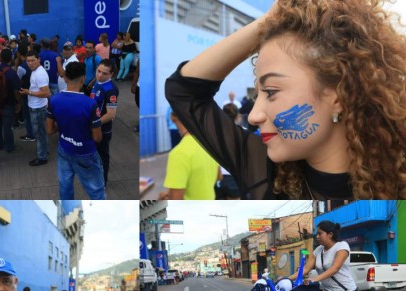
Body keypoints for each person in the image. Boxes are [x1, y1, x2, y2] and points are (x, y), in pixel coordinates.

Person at [166, 0, 405, 199]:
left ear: (338, 94)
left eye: (270, 91)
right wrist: (273, 17)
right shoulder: (261, 170)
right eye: (257, 94)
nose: (254, 115)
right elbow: (184, 92)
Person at [47, 61, 105, 200]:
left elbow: (49, 130)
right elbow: (97, 137)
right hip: (85, 152)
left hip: (64, 149)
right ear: (83, 78)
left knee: (65, 188)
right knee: (96, 192)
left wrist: (63, 126)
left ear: (65, 77)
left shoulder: (53, 100)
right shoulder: (90, 104)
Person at [159, 112, 219, 200]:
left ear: (173, 117)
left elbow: (175, 200)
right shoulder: (210, 145)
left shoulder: (179, 153)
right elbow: (218, 176)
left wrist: (163, 199)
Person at [91, 59, 119, 187]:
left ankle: (102, 182)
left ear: (111, 74)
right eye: (99, 71)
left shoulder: (111, 89)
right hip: (93, 127)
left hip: (102, 130)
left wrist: (94, 124)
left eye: (104, 73)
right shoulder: (97, 82)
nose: (100, 75)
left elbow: (111, 114)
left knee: (102, 157)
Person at [19, 51, 50, 166]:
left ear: (39, 60)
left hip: (38, 109)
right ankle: (44, 152)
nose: (30, 63)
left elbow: (46, 93)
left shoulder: (39, 74)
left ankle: (42, 157)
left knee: (40, 134)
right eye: (28, 61)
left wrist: (29, 92)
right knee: (41, 133)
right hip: (37, 106)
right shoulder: (35, 71)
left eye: (33, 60)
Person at [0, 48, 21, 153]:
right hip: (9, 103)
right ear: (11, 58)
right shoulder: (12, 73)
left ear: (1, 57)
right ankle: (9, 146)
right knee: (7, 126)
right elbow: (16, 90)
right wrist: (18, 103)